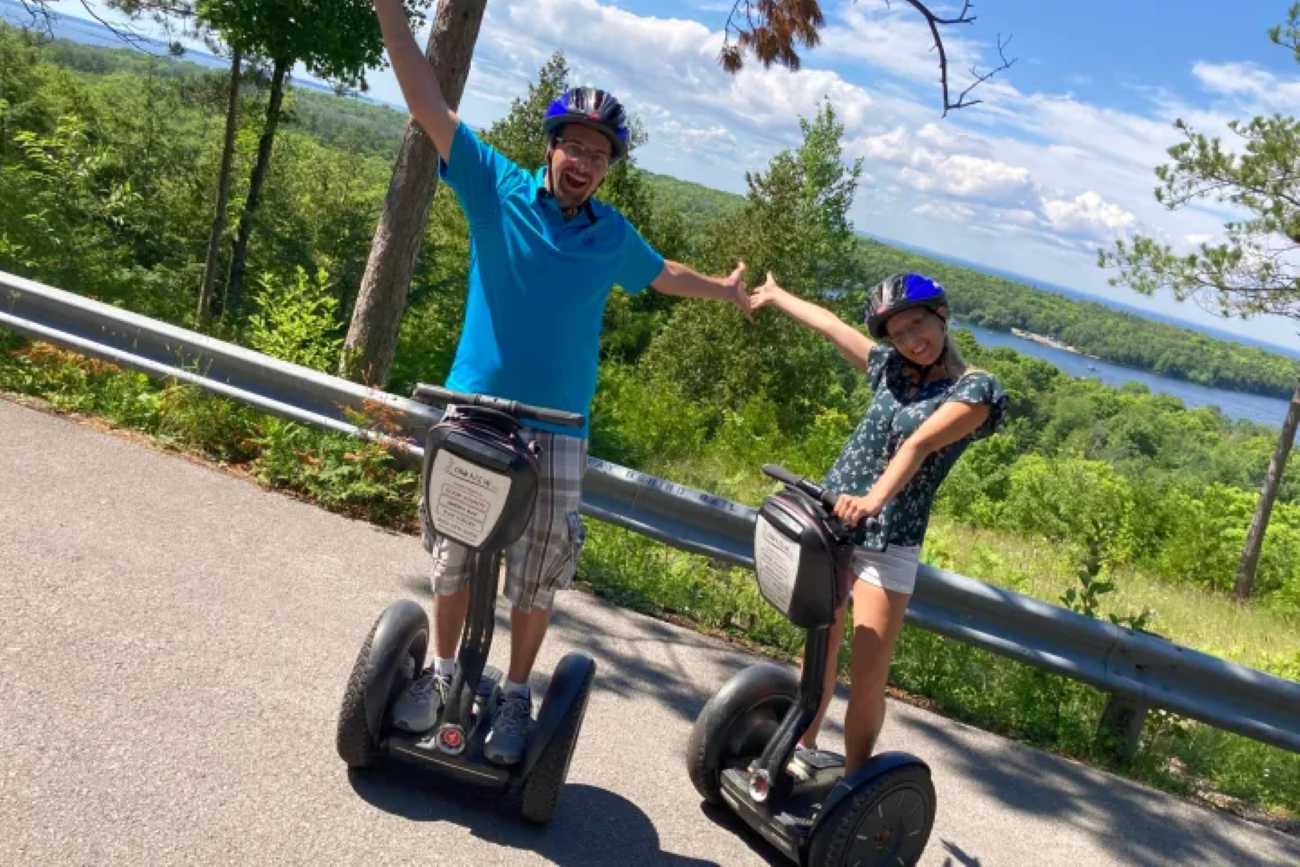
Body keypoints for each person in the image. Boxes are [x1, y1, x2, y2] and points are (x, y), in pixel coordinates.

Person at [370, 0, 754, 766]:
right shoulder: (495, 186)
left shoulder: (610, 233)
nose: (583, 161)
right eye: (574, 145)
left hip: (559, 426)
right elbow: (427, 103)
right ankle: (441, 674)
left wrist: (724, 289)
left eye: (598, 154)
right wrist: (389, 11)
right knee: (454, 549)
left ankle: (515, 692)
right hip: (475, 409)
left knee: (539, 566)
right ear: (550, 146)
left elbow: (662, 273)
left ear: (608, 168)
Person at [748, 270, 1007, 774]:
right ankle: (797, 752)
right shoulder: (890, 369)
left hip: (890, 539)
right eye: (898, 334)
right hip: (832, 525)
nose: (911, 341)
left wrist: (871, 501)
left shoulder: (977, 389)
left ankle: (854, 783)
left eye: (917, 325)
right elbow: (830, 326)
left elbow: (920, 443)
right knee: (818, 652)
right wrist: (777, 295)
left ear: (941, 316)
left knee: (868, 673)